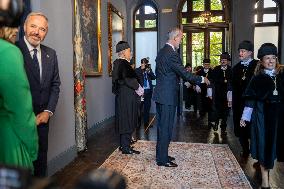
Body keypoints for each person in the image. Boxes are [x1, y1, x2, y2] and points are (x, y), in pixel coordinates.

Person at [152, 27, 210, 167]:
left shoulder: (161, 52)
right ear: (175, 37)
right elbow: (184, 73)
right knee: (166, 127)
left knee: (162, 127)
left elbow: (159, 72)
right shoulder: (171, 53)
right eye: (181, 38)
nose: (181, 41)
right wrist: (202, 79)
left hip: (161, 95)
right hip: (167, 96)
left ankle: (162, 155)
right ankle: (162, 159)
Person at [16, 12, 61, 177]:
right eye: (33, 26)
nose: (37, 32)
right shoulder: (13, 51)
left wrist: (48, 112)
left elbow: (55, 85)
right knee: (21, 166)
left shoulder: (51, 54)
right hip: (18, 122)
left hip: (43, 121)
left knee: (41, 163)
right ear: (24, 27)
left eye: (42, 29)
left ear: (46, 33)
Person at [240, 43, 284, 189]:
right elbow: (250, 101)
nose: (271, 61)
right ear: (262, 61)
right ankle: (265, 182)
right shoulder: (257, 79)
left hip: (279, 120)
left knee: (275, 149)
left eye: (273, 58)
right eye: (267, 58)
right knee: (265, 149)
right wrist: (245, 117)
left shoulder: (282, 76)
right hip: (262, 119)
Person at [0, 25, 38, 171]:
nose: (16, 30)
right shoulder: (9, 51)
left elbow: (55, 84)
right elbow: (21, 112)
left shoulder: (51, 54)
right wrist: (31, 151)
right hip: (10, 143)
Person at [112, 41, 142, 155]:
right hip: (126, 97)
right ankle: (125, 147)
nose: (131, 53)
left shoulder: (118, 63)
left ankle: (124, 145)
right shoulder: (123, 64)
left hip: (123, 96)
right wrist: (138, 87)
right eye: (129, 51)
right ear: (124, 52)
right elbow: (130, 80)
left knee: (124, 119)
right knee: (127, 119)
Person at [232, 40, 258, 158]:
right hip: (239, 103)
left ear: (250, 52)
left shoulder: (258, 66)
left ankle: (257, 152)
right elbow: (232, 86)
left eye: (243, 51)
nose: (240, 53)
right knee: (241, 126)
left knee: (254, 127)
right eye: (240, 51)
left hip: (254, 103)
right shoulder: (236, 68)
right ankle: (245, 149)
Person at [208, 52, 232, 133]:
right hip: (217, 93)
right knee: (216, 110)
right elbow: (211, 81)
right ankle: (216, 123)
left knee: (226, 111)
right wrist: (210, 92)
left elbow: (232, 82)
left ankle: (223, 126)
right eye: (222, 60)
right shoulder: (216, 69)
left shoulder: (231, 70)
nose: (223, 61)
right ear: (220, 61)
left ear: (227, 61)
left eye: (225, 60)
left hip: (227, 94)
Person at [135, 57, 156, 127]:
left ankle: (146, 124)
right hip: (141, 92)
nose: (145, 65)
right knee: (139, 108)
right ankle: (138, 124)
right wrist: (141, 70)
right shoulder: (138, 70)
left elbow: (154, 77)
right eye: (144, 63)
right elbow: (136, 78)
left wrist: (148, 71)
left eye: (146, 63)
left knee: (147, 108)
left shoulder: (149, 70)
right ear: (141, 63)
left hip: (148, 91)